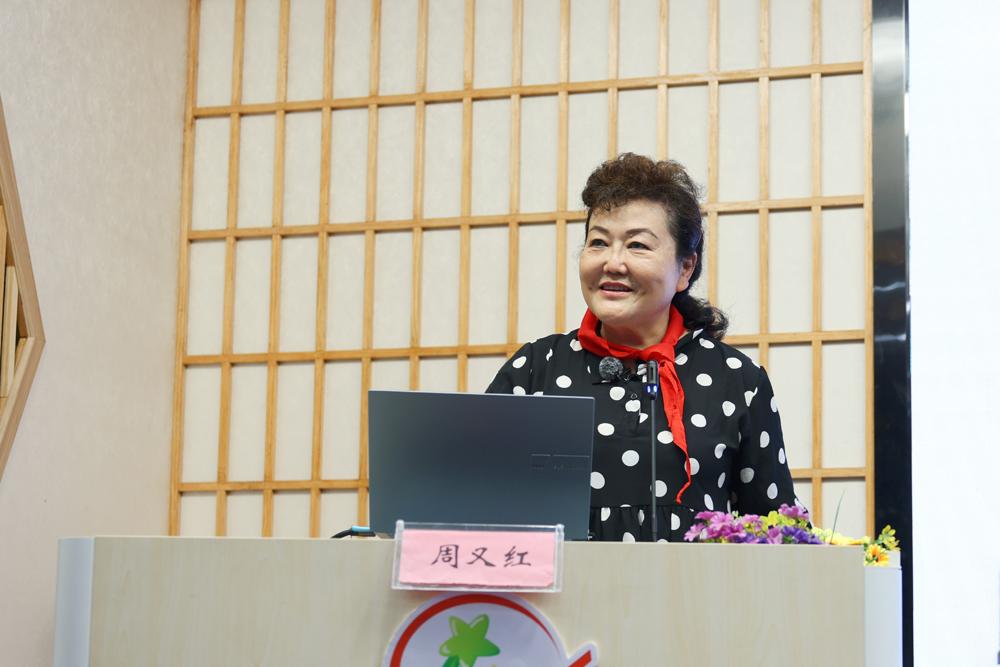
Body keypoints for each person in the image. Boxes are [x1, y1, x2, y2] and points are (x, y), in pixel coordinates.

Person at [487, 153, 798, 542]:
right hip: (562, 584)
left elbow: (775, 532)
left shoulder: (737, 380)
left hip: (692, 584)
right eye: (598, 242)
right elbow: (477, 503)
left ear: (685, 268)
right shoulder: (535, 368)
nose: (613, 262)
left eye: (637, 245)